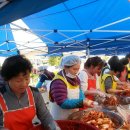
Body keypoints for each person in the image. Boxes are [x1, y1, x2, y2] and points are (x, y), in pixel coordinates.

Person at [0, 55, 60, 130]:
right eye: (18, 81)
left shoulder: (34, 93)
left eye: (27, 78)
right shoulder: (1, 96)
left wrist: (55, 128)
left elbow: (45, 116)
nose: (24, 84)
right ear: (7, 79)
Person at [49, 55, 98, 120]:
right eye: (74, 69)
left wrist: (85, 100)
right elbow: (63, 103)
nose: (76, 72)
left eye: (78, 69)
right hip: (61, 118)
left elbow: (79, 92)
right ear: (65, 67)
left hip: (73, 116)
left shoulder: (75, 78)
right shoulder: (58, 82)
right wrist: (82, 102)